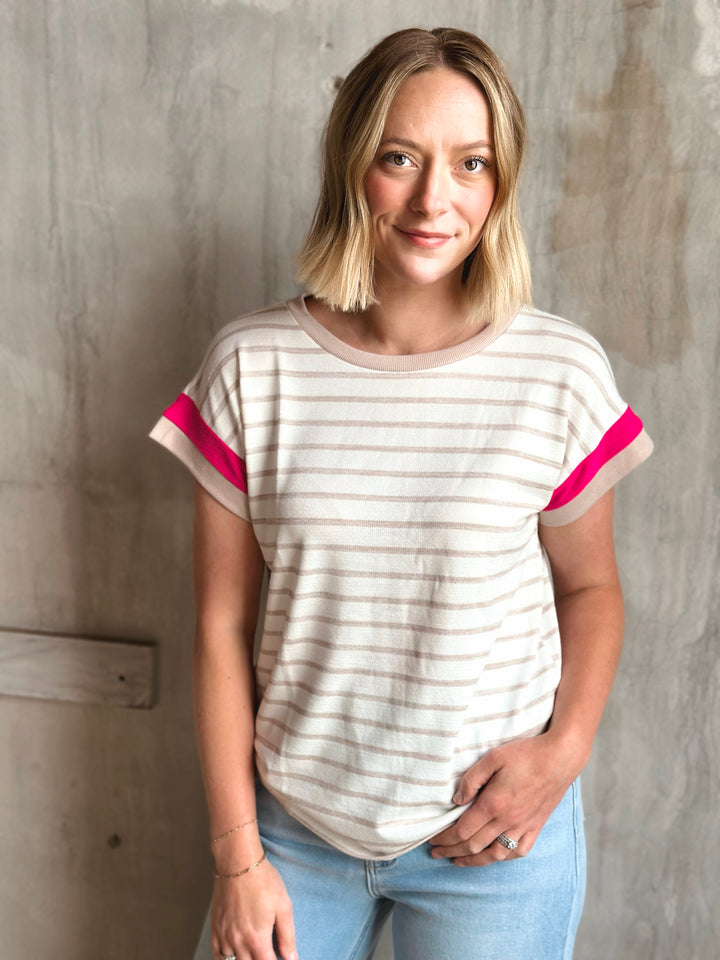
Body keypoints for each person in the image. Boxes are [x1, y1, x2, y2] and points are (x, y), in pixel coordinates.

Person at [150, 26, 652, 960]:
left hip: (496, 836)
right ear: (353, 167)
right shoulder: (251, 367)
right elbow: (220, 626)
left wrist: (563, 753)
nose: (435, 199)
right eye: (400, 158)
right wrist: (236, 860)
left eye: (471, 164)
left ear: (500, 184)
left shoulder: (559, 371)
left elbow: (592, 590)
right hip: (291, 830)